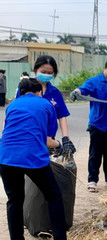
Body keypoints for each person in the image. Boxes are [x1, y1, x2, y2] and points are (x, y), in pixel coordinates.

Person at [0, 78, 67, 240]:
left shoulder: (12, 105)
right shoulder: (46, 105)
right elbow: (48, 141)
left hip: (6, 158)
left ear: (20, 92)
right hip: (33, 158)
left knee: (14, 200)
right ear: (40, 92)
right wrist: (61, 144)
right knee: (53, 196)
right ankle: (60, 237)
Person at [70, 57, 107, 192]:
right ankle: (92, 180)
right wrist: (76, 92)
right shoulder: (94, 82)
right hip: (98, 123)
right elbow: (82, 89)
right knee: (95, 154)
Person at [31, 55, 76, 155]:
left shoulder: (55, 92)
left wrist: (65, 138)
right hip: (29, 138)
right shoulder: (25, 89)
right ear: (35, 69)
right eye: (43, 72)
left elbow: (62, 115)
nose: (46, 74)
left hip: (50, 141)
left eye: (50, 73)